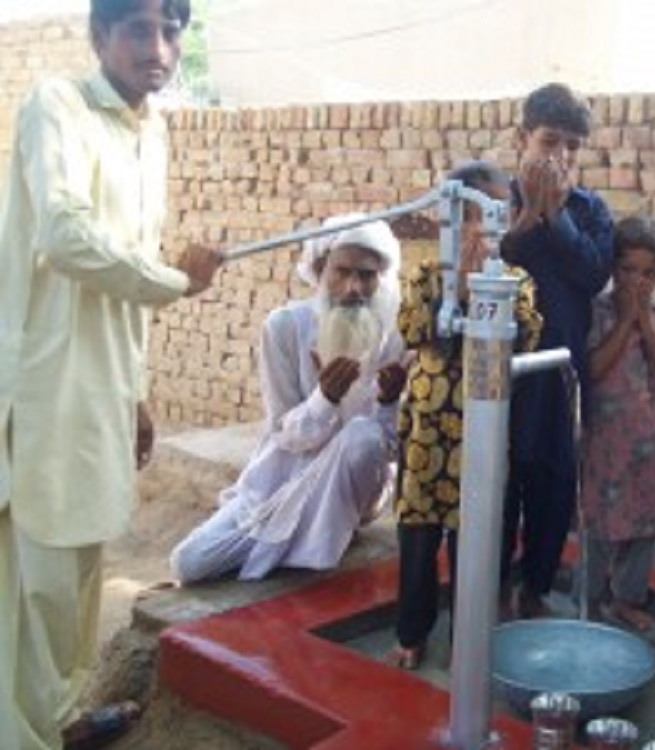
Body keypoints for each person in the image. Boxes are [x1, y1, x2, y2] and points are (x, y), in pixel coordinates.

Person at [0, 1, 224, 749]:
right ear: (99, 37)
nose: (158, 48)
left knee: (83, 563)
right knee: (35, 581)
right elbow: (65, 235)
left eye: (172, 30)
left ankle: (61, 718)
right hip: (45, 380)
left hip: (102, 386)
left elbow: (125, 273)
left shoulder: (150, 132)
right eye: (138, 29)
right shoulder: (55, 106)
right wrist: (175, 280)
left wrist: (136, 393)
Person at [170, 219, 408, 584]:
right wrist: (325, 399)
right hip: (279, 480)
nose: (354, 288)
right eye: (342, 272)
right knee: (188, 563)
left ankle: (319, 531)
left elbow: (386, 450)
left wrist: (389, 403)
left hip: (356, 490)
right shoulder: (284, 327)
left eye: (366, 276)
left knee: (362, 434)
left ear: (381, 279)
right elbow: (284, 434)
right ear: (320, 270)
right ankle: (308, 534)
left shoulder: (392, 340)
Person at [387, 161, 542, 669]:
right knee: (418, 535)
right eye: (472, 215)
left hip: (483, 430)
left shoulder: (516, 281)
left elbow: (524, 338)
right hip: (427, 430)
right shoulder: (426, 277)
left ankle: (467, 642)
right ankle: (411, 633)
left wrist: (482, 292)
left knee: (475, 539)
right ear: (451, 219)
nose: (482, 228)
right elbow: (413, 331)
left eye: (496, 213)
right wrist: (454, 291)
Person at [499, 82, 615, 619]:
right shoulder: (493, 200)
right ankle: (491, 590)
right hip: (500, 372)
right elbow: (490, 264)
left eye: (572, 145)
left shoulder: (590, 210)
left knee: (554, 485)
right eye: (549, 141)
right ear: (521, 138)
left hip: (562, 373)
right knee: (499, 483)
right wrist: (530, 216)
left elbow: (593, 275)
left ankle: (536, 590)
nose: (561, 156)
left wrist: (558, 217)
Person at [580, 216, 655, 631]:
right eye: (628, 269)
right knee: (598, 522)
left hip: (645, 441)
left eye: (649, 273)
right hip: (602, 440)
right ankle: (589, 599)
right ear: (612, 267)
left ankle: (627, 598)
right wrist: (625, 321)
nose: (638, 281)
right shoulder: (597, 309)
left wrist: (644, 321)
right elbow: (592, 369)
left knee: (643, 523)